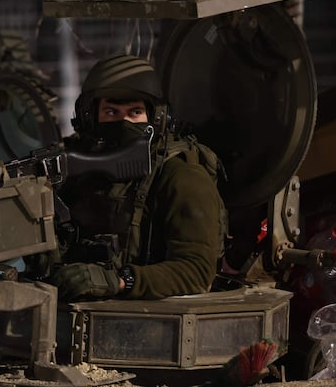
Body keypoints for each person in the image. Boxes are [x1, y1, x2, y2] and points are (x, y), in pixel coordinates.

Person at [49, 54, 226, 301]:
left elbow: (196, 271)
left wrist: (121, 280)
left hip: (153, 323)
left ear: (156, 118)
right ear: (90, 116)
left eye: (135, 112)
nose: (123, 122)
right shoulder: (74, 168)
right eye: (111, 111)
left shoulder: (181, 175)